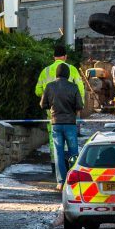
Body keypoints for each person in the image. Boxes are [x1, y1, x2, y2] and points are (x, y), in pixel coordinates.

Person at [34, 44, 85, 172]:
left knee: (55, 143)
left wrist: (48, 97)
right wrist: (79, 107)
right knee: (72, 144)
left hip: (52, 114)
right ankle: (73, 171)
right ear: (65, 57)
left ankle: (55, 167)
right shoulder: (72, 69)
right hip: (70, 113)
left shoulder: (45, 71)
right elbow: (80, 89)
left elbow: (37, 90)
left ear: (53, 57)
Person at [40, 63, 83, 191]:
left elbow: (43, 105)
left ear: (56, 74)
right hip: (70, 124)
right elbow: (79, 105)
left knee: (58, 153)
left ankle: (60, 181)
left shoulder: (49, 86)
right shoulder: (73, 87)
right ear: (68, 74)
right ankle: (73, 180)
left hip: (56, 123)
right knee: (73, 152)